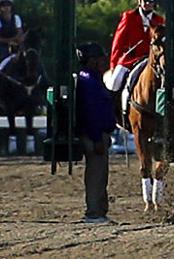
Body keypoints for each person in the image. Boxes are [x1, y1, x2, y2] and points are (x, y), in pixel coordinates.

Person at [104, 0, 165, 118]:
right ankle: (113, 113)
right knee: (115, 83)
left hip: (149, 60)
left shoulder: (159, 21)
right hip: (129, 59)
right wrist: (114, 64)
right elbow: (117, 43)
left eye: (151, 0)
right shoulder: (129, 17)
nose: (147, 3)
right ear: (139, 0)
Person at [75, 42, 117, 224]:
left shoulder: (93, 78)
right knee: (96, 176)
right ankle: (94, 212)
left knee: (100, 175)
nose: (103, 62)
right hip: (95, 136)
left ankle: (99, 210)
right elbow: (91, 112)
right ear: (92, 61)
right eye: (100, 59)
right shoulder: (90, 82)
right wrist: (96, 137)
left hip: (98, 134)